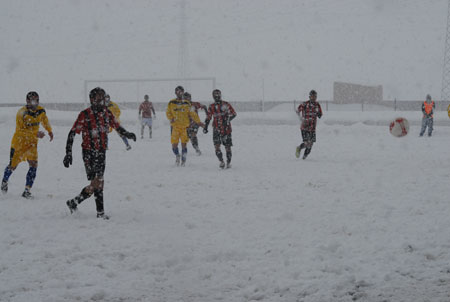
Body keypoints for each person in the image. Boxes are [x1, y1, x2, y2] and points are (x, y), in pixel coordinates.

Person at [63, 87, 136, 219]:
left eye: (103, 97)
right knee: (97, 182)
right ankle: (100, 213)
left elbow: (117, 126)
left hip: (102, 152)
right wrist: (68, 153)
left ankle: (74, 202)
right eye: (99, 98)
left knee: (97, 184)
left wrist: (128, 134)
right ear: (92, 100)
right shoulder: (85, 115)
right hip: (89, 153)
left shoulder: (107, 113)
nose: (102, 100)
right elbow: (72, 133)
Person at [1, 91, 53, 199]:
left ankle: (27, 190)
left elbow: (44, 119)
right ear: (27, 101)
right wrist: (36, 133)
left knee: (33, 165)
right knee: (12, 166)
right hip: (19, 144)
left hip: (32, 144)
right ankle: (4, 181)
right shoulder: (21, 113)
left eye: (37, 100)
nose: (35, 103)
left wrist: (49, 130)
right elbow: (21, 132)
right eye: (33, 100)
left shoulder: (41, 110)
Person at [166, 86, 204, 166]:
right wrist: (171, 118)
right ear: (175, 92)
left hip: (184, 128)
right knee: (174, 145)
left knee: (184, 144)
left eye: (181, 91)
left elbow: (192, 114)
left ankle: (183, 160)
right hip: (175, 127)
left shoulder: (187, 103)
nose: (179, 93)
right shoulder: (171, 102)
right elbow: (168, 112)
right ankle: (177, 155)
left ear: (183, 92)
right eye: (177, 91)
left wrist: (199, 122)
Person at [203, 89, 237, 169]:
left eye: (218, 95)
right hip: (216, 129)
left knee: (227, 146)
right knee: (217, 146)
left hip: (226, 129)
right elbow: (208, 117)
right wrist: (206, 127)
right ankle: (221, 161)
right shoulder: (211, 106)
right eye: (215, 95)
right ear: (213, 96)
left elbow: (234, 114)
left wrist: (227, 120)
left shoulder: (226, 104)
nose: (217, 96)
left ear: (220, 95)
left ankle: (228, 162)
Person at [295, 90, 323, 160]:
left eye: (315, 96)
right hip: (304, 127)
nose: (313, 98)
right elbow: (297, 110)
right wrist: (300, 118)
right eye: (312, 96)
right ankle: (299, 148)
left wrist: (317, 112)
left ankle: (304, 158)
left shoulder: (317, 105)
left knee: (310, 145)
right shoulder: (305, 104)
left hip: (312, 128)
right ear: (309, 96)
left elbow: (320, 115)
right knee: (307, 142)